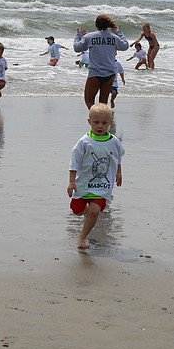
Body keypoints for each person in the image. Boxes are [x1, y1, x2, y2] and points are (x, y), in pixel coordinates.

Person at [67, 103, 124, 249]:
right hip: (84, 184)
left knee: (94, 211)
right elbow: (74, 162)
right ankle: (85, 211)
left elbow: (117, 157)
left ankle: (82, 238)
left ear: (110, 123)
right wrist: (71, 182)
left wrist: (119, 172)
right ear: (89, 122)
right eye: (96, 122)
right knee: (77, 210)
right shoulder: (84, 142)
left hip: (102, 187)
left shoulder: (114, 142)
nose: (100, 126)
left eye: (104, 123)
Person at [73, 15, 129, 109]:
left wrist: (78, 35)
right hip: (109, 74)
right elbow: (125, 46)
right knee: (103, 104)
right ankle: (102, 121)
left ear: (96, 25)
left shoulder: (90, 36)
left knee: (89, 101)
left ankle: (95, 120)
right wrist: (118, 32)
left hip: (95, 73)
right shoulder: (114, 38)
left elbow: (77, 48)